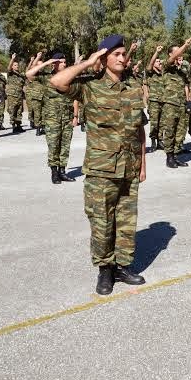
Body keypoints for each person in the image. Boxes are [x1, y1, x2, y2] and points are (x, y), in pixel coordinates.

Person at [49, 34, 147, 295]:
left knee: (126, 220)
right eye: (116, 54)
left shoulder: (134, 87)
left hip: (129, 166)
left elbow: (140, 130)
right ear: (104, 59)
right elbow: (57, 81)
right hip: (101, 168)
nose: (122, 58)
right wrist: (87, 62)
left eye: (124, 54)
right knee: (102, 220)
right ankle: (105, 270)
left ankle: (122, 266)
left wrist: (143, 165)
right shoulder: (90, 86)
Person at [28, 53, 78, 184]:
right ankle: (54, 173)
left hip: (67, 117)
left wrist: (75, 116)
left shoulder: (69, 77)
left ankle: (62, 172)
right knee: (54, 145)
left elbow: (75, 98)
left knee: (65, 145)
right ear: (54, 64)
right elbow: (29, 74)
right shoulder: (46, 77)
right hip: (52, 118)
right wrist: (46, 63)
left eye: (65, 62)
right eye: (61, 62)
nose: (64, 64)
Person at [161, 39, 191, 168]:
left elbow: (186, 85)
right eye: (176, 52)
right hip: (170, 103)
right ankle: (169, 157)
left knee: (180, 130)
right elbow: (174, 57)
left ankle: (176, 155)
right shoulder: (166, 66)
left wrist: (188, 100)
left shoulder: (182, 70)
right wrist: (185, 45)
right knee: (170, 130)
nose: (179, 54)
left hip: (181, 104)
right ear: (170, 54)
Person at [144, 45, 166, 151]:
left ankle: (160, 141)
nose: (160, 63)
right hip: (154, 102)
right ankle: (153, 141)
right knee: (154, 123)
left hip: (163, 101)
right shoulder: (150, 73)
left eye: (160, 62)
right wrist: (156, 53)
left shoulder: (163, 75)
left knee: (162, 123)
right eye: (158, 62)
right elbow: (150, 65)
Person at [5, 54, 27, 133]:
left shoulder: (20, 75)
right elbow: (8, 67)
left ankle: (18, 125)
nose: (17, 66)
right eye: (15, 65)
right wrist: (12, 59)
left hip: (19, 96)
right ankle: (13, 126)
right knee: (12, 111)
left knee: (19, 111)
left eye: (17, 65)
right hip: (12, 96)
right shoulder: (10, 74)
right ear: (12, 66)